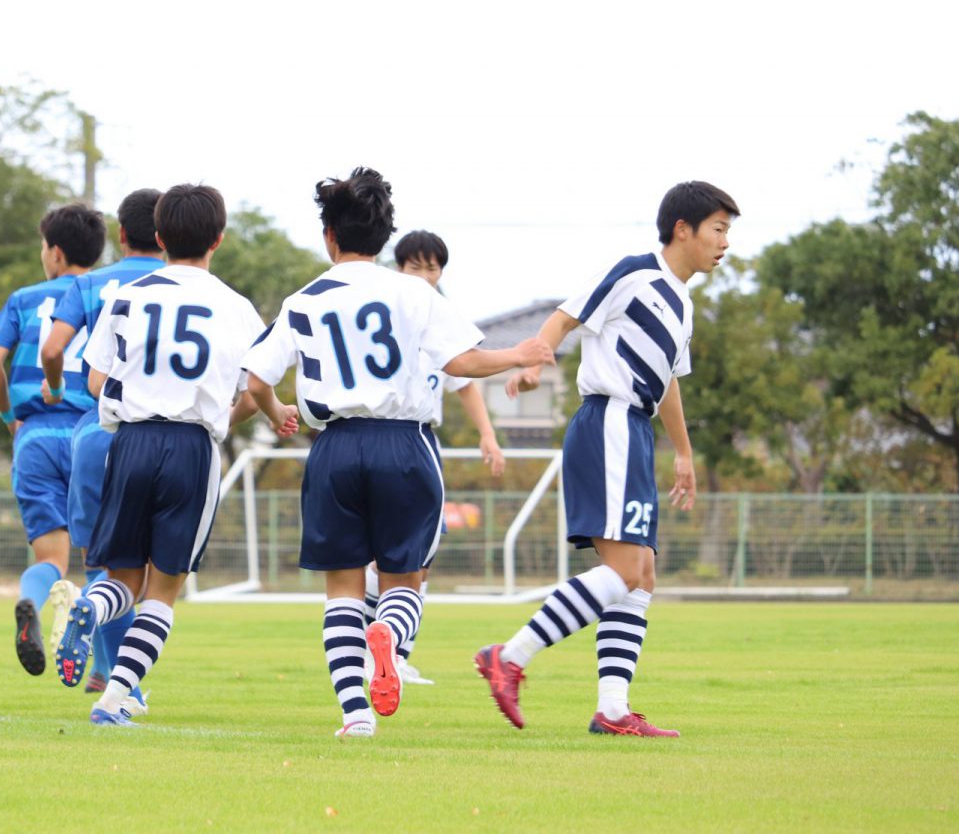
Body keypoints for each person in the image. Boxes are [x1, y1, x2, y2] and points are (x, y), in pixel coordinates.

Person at [241, 167, 553, 738]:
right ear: (386, 238)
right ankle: (387, 633)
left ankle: (355, 716)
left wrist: (277, 411)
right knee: (404, 582)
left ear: (329, 236)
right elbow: (461, 363)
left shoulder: (303, 299)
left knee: (340, 589)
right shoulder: (414, 291)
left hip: (334, 448)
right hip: (405, 443)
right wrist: (520, 351)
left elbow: (257, 379)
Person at [475, 180, 739, 736]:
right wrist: (534, 361)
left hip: (636, 431)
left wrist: (684, 453)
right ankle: (510, 657)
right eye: (718, 229)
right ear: (683, 229)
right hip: (609, 421)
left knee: (641, 576)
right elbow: (567, 316)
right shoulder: (634, 272)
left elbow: (667, 381)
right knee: (623, 571)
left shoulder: (683, 304)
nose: (725, 242)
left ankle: (613, 711)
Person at [52, 183, 296, 725]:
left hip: (131, 442)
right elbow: (256, 387)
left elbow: (95, 380)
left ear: (158, 237)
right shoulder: (235, 307)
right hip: (191, 447)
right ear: (219, 239)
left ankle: (90, 607)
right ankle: (115, 697)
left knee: (122, 580)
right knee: (164, 590)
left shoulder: (127, 296)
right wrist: (260, 415)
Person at [360, 230, 507, 685]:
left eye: (433, 267)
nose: (425, 276)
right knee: (376, 557)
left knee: (421, 559)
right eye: (415, 266)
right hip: (384, 436)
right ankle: (375, 645)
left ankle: (394, 653)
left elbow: (466, 381)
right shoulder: (382, 314)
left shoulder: (444, 321)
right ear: (397, 267)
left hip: (424, 444)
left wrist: (488, 435)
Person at [39, 189, 163, 702]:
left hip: (96, 430)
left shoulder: (89, 283)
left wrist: (55, 386)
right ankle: (126, 683)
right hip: (161, 432)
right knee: (153, 571)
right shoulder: (187, 284)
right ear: (167, 234)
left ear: (120, 234)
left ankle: (112, 674)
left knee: (102, 563)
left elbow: (53, 348)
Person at [0, 202, 106, 676]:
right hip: (88, 433)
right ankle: (103, 674)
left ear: (54, 253)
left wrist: (11, 417)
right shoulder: (100, 294)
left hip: (33, 436)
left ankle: (31, 601)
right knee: (100, 561)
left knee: (52, 558)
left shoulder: (24, 298)